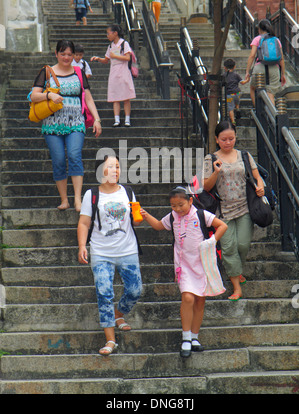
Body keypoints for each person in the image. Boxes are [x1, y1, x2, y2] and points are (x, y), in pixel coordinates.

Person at [140, 186, 227, 358]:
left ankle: (195, 337)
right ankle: (186, 337)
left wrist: (211, 241)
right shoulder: (172, 216)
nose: (178, 209)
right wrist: (146, 215)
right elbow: (159, 225)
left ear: (190, 201)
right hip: (184, 264)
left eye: (181, 205)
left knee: (200, 301)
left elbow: (222, 226)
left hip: (202, 264)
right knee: (188, 297)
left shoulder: (201, 214)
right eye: (173, 206)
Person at [78, 155, 143, 356]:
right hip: (101, 252)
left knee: (135, 290)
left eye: (117, 166)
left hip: (127, 249)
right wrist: (82, 245)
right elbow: (84, 223)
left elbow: (137, 218)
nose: (115, 170)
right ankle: (110, 339)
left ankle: (118, 314)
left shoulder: (128, 191)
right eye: (110, 167)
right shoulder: (92, 194)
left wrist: (139, 215)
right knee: (104, 293)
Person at [30, 39, 102, 212]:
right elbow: (34, 96)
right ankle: (64, 200)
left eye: (69, 54)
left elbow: (88, 97)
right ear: (56, 54)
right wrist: (49, 96)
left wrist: (97, 119)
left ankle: (77, 199)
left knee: (74, 155)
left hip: (76, 122)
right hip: (52, 125)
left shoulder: (78, 72)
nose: (66, 57)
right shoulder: (47, 72)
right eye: (63, 54)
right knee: (59, 160)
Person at [203, 120, 265, 301]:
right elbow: (206, 187)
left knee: (243, 245)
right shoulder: (211, 159)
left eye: (231, 138)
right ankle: (237, 287)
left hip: (245, 207)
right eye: (224, 139)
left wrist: (260, 187)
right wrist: (215, 172)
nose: (228, 142)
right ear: (216, 139)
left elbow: (257, 176)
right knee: (229, 248)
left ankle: (237, 271)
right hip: (222, 212)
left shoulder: (244, 155)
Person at [90, 24, 136, 127]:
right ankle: (117, 119)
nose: (107, 36)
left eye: (108, 33)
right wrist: (98, 58)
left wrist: (116, 56)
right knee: (115, 97)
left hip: (123, 71)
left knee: (126, 97)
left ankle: (127, 119)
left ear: (115, 33)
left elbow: (128, 57)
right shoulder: (110, 46)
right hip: (114, 72)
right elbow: (106, 60)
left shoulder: (124, 43)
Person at [245, 19, 286, 106]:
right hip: (274, 68)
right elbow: (281, 59)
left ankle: (258, 112)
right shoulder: (276, 40)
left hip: (260, 67)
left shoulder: (257, 39)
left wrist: (247, 72)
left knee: (253, 88)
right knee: (270, 93)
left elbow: (252, 55)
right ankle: (271, 117)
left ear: (259, 29)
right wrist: (283, 74)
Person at [223, 58, 248, 125]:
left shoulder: (224, 75)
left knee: (230, 108)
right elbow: (242, 82)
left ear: (224, 67)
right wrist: (247, 80)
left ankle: (233, 121)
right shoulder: (236, 75)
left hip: (229, 94)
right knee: (236, 102)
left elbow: (221, 84)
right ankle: (237, 109)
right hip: (237, 93)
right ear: (234, 67)